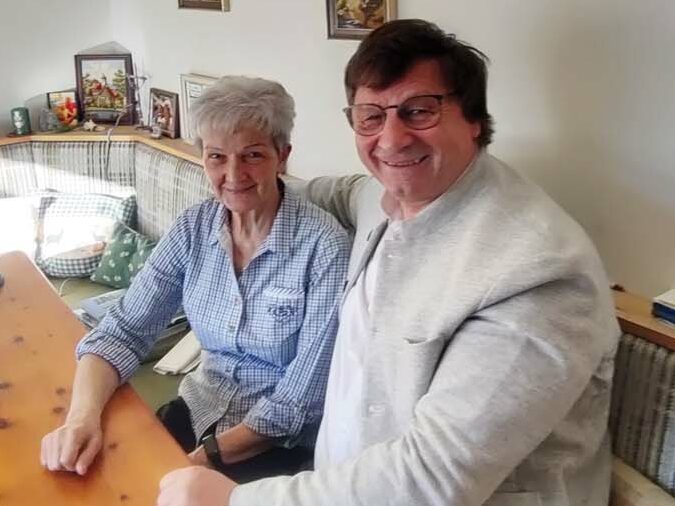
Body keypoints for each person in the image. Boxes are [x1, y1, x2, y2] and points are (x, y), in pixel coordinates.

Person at [158, 19, 620, 506]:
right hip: (335, 486)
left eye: (419, 111)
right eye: (371, 116)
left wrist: (236, 501)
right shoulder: (382, 196)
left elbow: (434, 479)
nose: (392, 139)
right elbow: (330, 191)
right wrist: (253, 190)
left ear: (474, 119)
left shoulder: (538, 272)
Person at [40, 76, 350, 482]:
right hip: (197, 409)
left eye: (252, 155)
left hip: (274, 447)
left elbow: (299, 402)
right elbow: (123, 331)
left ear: (283, 156)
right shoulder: (193, 228)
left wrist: (194, 463)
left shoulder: (325, 248)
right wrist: (81, 419)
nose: (233, 174)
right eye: (217, 156)